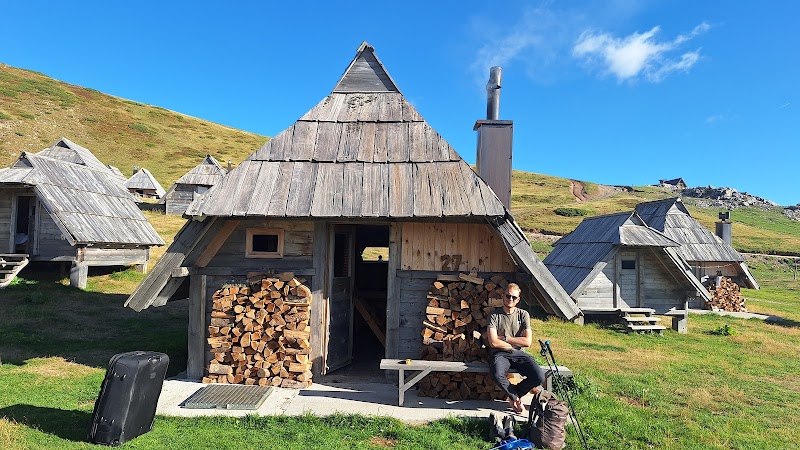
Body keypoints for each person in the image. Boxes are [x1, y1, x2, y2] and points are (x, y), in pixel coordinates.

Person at [486, 283, 545, 414]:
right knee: (496, 373)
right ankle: (515, 397)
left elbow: (527, 341)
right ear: (503, 297)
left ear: (518, 299)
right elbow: (493, 342)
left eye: (514, 297)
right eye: (508, 296)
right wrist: (513, 343)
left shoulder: (523, 315)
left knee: (539, 376)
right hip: (500, 354)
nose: (510, 299)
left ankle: (514, 394)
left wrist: (506, 339)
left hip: (518, 353)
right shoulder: (494, 315)